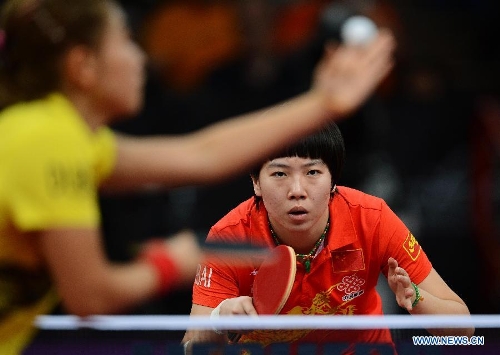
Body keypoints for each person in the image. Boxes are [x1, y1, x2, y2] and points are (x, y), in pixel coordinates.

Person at [0, 0, 395, 353]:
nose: (140, 58)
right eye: (125, 42)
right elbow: (90, 295)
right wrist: (172, 262)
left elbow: (200, 155)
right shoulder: (47, 141)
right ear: (82, 66)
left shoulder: (59, 135)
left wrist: (323, 102)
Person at [183, 122, 474, 353]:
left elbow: (464, 331)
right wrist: (219, 319)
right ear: (256, 183)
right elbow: (191, 347)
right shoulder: (228, 239)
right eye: (280, 174)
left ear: (333, 180)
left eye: (312, 172)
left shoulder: (372, 218)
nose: (297, 190)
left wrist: (417, 298)